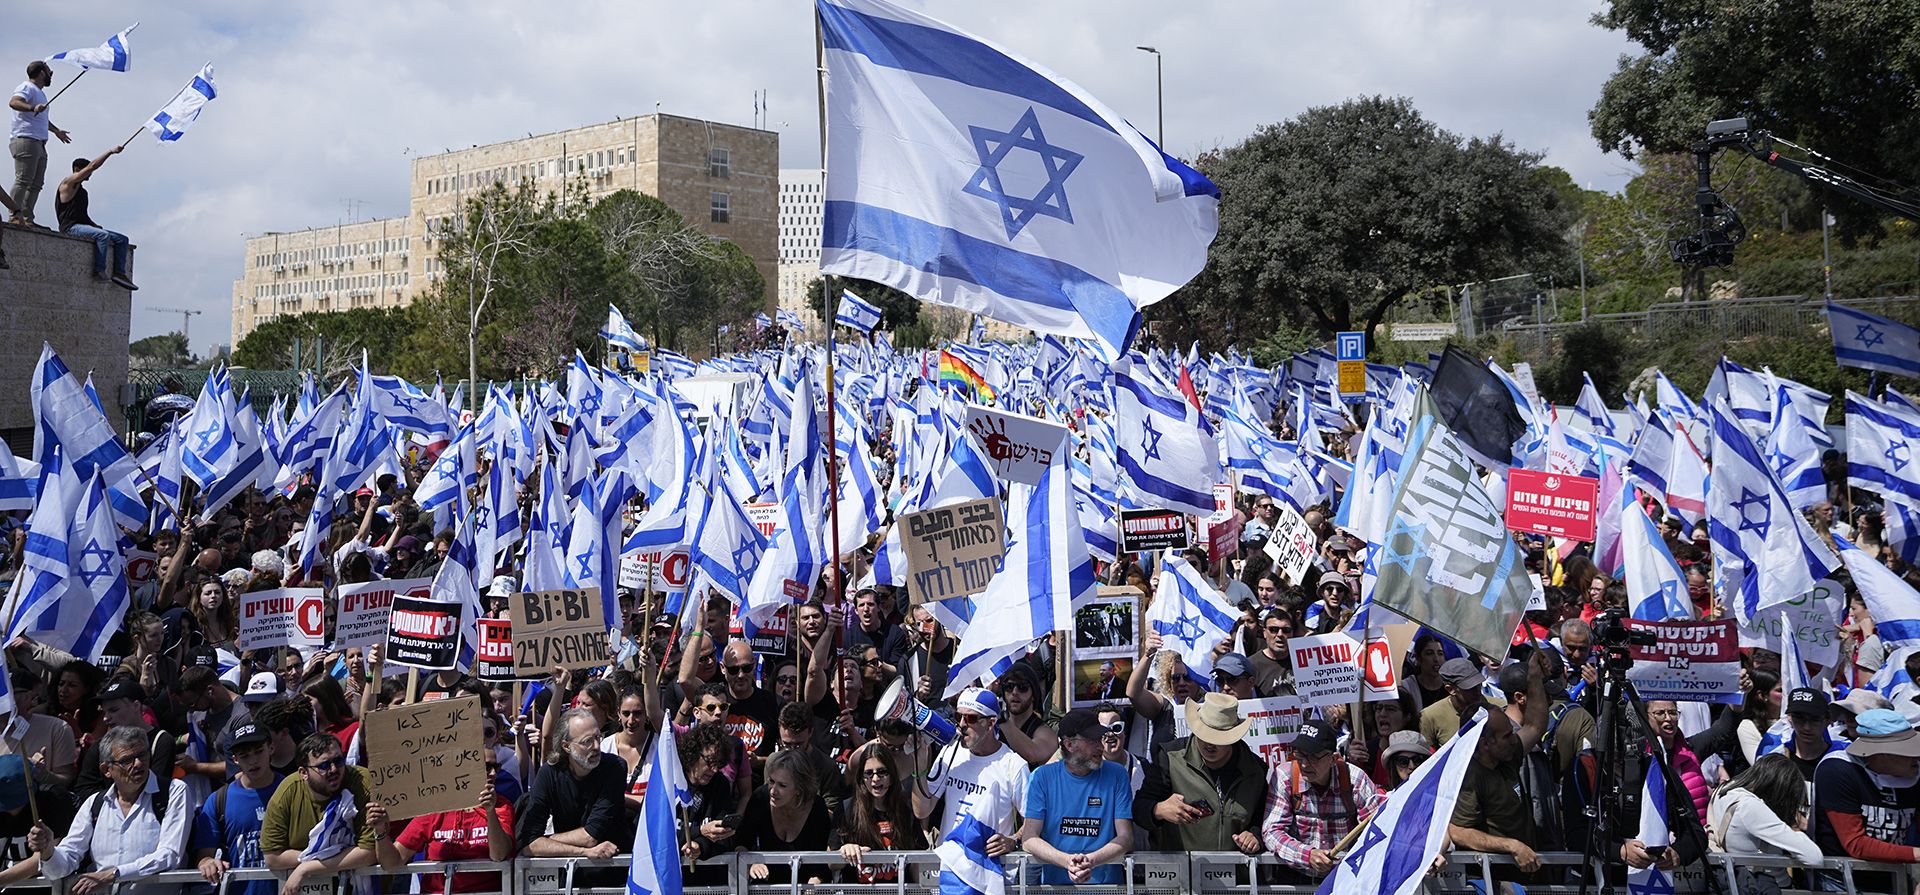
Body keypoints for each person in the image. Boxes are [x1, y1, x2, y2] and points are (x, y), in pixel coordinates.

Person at [27, 725, 190, 895]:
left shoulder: (173, 792)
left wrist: (113, 875)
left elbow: (169, 855)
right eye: (127, 760)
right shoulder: (94, 804)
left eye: (142, 755)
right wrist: (47, 851)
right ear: (106, 770)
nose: (138, 764)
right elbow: (62, 865)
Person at [1448, 653, 1551, 882]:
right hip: (1493, 881)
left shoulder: (1506, 757)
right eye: (1506, 736)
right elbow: (1458, 831)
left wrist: (1534, 675)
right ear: (1485, 743)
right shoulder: (1470, 777)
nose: (1514, 740)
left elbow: (1535, 725)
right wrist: (1511, 846)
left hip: (1525, 876)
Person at [1135, 693, 1267, 855]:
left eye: (1218, 737)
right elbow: (1139, 809)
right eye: (1204, 734)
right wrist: (1159, 810)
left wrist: (1255, 835)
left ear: (1232, 737)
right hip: (1180, 868)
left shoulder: (1255, 770)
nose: (1209, 743)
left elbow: (1265, 821)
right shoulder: (1169, 756)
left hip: (1237, 870)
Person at [1018, 709, 1134, 885]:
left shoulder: (1117, 774)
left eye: (1100, 739)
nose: (1101, 746)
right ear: (1069, 744)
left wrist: (1090, 861)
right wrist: (1067, 862)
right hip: (1056, 888)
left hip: (1107, 887)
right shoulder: (1042, 777)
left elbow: (1126, 837)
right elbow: (1029, 839)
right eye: (1093, 740)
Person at [259, 733, 388, 891]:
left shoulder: (362, 782)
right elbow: (273, 858)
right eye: (324, 766)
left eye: (338, 761)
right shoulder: (288, 792)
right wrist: (324, 860)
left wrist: (306, 868)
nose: (334, 770)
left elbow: (368, 853)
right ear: (303, 773)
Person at [1261, 718, 1384, 879]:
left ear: (1333, 759)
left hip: (1345, 878)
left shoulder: (1355, 779)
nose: (1304, 764)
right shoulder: (1285, 777)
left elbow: (1377, 828)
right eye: (1300, 755)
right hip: (1299, 878)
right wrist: (1307, 855)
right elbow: (1272, 832)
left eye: (1313, 757)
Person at [1811, 708, 1920, 888]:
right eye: (1910, 751)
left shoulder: (1915, 773)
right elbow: (1855, 843)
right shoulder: (1837, 770)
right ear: (1883, 754)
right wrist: (1917, 854)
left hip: (1896, 876)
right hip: (1842, 881)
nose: (1917, 757)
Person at [375, 755, 514, 894]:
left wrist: (490, 812)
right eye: (486, 767)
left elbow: (499, 855)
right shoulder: (437, 808)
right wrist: (379, 829)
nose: (493, 773)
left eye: (496, 767)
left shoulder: (501, 806)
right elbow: (392, 862)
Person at [914, 688, 1026, 852]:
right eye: (958, 716)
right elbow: (922, 810)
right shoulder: (950, 750)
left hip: (987, 864)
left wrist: (1013, 841)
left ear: (991, 723)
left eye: (971, 718)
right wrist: (919, 763)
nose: (961, 724)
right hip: (948, 862)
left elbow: (1033, 821)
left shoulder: (1014, 764)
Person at [514, 708, 625, 859]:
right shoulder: (549, 773)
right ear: (566, 746)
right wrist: (583, 852)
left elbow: (590, 837)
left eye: (598, 737)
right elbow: (529, 844)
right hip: (567, 867)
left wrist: (544, 841)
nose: (596, 746)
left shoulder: (615, 767)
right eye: (587, 741)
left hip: (611, 865)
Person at [1707, 753, 1822, 895]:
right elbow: (1814, 857)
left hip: (1737, 882)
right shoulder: (1751, 807)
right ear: (1778, 792)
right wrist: (1794, 827)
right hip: (1769, 888)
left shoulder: (1724, 789)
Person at [190, 722, 280, 895]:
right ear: (235, 759)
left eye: (259, 751)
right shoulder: (218, 800)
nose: (253, 761)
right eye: (244, 756)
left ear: (271, 748)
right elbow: (204, 855)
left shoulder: (293, 790)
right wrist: (208, 863)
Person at [736, 748, 833, 885]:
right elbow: (741, 843)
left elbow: (823, 859)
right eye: (771, 781)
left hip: (806, 886)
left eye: (782, 785)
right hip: (766, 886)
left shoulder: (816, 807)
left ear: (799, 789)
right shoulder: (760, 798)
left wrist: (817, 880)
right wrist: (751, 863)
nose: (773, 791)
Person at [835, 740, 926, 884]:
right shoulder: (847, 808)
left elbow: (917, 863)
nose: (875, 779)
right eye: (868, 773)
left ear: (892, 776)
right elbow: (831, 864)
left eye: (882, 772)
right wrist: (845, 851)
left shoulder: (906, 809)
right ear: (861, 778)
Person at [54, 147, 137, 290]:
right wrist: (110, 152)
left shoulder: (83, 192)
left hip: (81, 225)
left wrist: (93, 225)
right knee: (102, 235)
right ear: (78, 170)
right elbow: (92, 166)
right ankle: (99, 271)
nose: (90, 174)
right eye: (87, 171)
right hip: (70, 228)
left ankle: (119, 274)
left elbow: (81, 215)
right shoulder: (68, 184)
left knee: (122, 239)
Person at [10, 61, 72, 227]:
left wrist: (56, 130)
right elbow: (14, 102)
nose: (51, 74)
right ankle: (15, 216)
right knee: (23, 180)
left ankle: (27, 219)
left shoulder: (39, 93)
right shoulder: (27, 87)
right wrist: (33, 107)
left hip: (38, 142)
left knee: (36, 183)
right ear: (42, 72)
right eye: (49, 71)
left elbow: (42, 118)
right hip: (26, 139)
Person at [1418, 657, 1485, 748]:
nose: (1477, 690)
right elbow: (1428, 752)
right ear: (1451, 690)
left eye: (1478, 684)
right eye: (1470, 688)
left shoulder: (1499, 707)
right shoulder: (1430, 716)